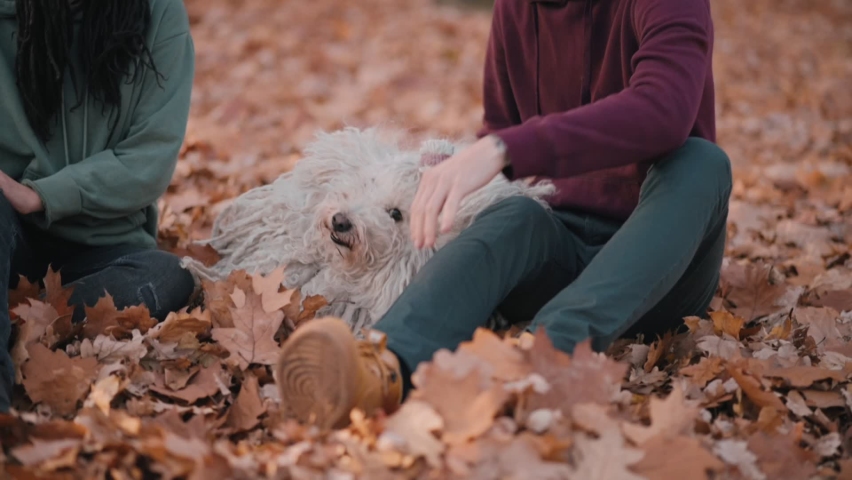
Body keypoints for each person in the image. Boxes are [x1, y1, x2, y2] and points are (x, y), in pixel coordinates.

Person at [277, 0, 732, 429]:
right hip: (554, 248)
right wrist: (460, 172)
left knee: (703, 163)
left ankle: (544, 354)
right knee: (515, 212)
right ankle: (381, 369)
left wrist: (503, 149)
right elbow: (499, 133)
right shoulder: (515, 7)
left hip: (662, 268)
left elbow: (664, 110)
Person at [0, 0, 196, 412]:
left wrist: (44, 195)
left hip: (104, 246)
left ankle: (28, 322)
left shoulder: (158, 12)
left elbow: (149, 158)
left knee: (170, 275)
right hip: (8, 227)